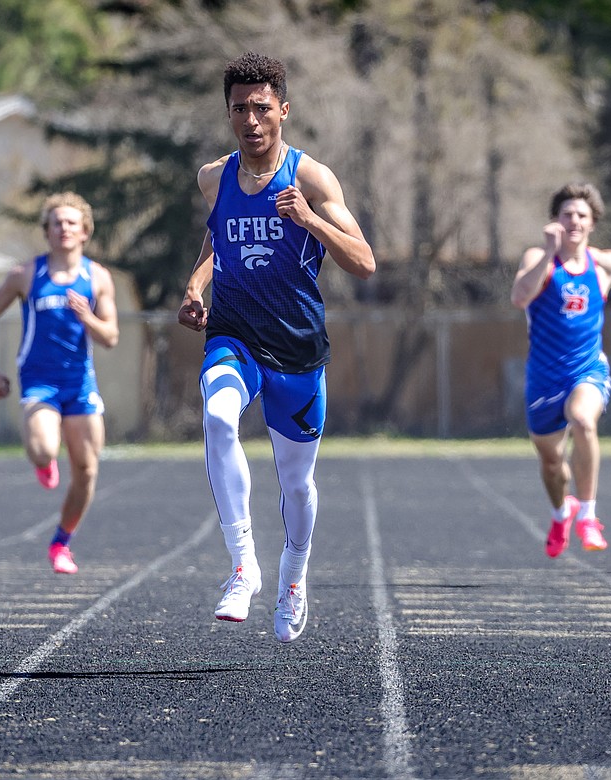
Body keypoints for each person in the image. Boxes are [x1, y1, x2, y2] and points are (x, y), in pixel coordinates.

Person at [177, 52, 375, 643]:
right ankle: (244, 566)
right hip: (234, 334)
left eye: (262, 108)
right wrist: (195, 284)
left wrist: (311, 220)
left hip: (297, 347)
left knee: (295, 483)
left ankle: (293, 574)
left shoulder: (311, 178)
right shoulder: (213, 178)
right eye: (240, 109)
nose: (251, 120)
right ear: (229, 114)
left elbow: (364, 262)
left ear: (283, 110)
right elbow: (222, 243)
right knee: (216, 417)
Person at [0, 192, 119, 575]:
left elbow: (110, 337)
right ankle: (43, 462)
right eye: (56, 222)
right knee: (43, 449)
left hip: (80, 383)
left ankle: (61, 543)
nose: (64, 229)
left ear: (85, 231)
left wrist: (87, 317)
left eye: (71, 222)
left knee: (87, 471)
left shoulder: (97, 277)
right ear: (47, 231)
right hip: (39, 381)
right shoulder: (26, 274)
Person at [510, 182, 611, 558]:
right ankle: (560, 511)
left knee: (584, 421)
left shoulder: (604, 263)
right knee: (553, 464)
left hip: (587, 369)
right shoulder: (539, 257)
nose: (574, 221)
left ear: (593, 222)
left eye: (582, 215)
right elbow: (520, 298)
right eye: (567, 214)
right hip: (543, 378)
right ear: (555, 220)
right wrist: (550, 252)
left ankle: (588, 514)